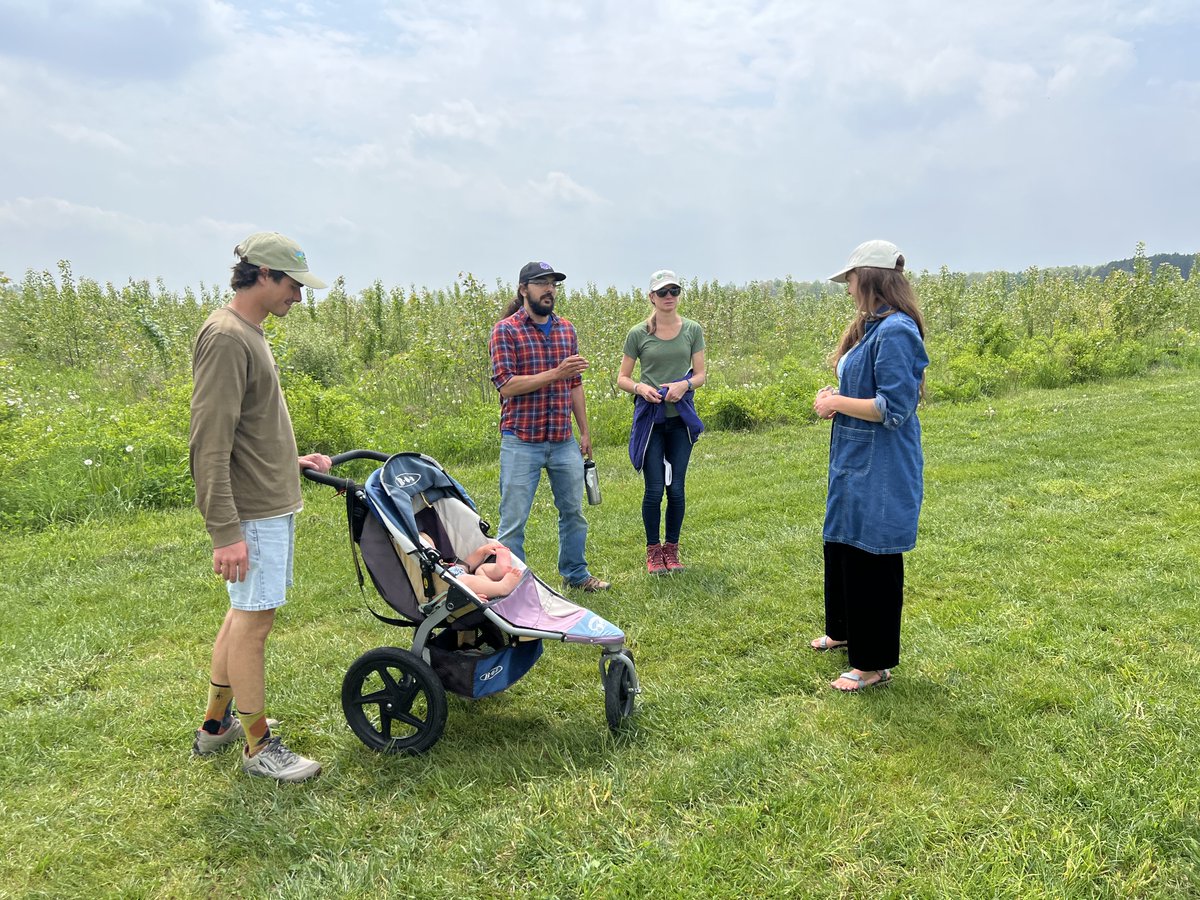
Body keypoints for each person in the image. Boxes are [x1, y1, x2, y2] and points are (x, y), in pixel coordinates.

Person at [189, 232, 333, 781]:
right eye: (294, 284)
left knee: (240, 615)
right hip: (249, 512)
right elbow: (209, 440)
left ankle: (215, 726)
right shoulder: (226, 337)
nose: (299, 295)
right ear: (265, 276)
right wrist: (225, 530)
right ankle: (257, 746)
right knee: (255, 622)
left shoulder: (250, 333)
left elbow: (248, 426)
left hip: (265, 495)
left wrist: (287, 462)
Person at [809, 240, 929, 692]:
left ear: (872, 278)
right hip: (853, 456)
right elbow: (863, 389)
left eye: (851, 279)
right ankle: (843, 631)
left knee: (872, 552)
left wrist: (838, 402)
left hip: (882, 464)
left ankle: (873, 663)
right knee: (843, 542)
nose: (848, 289)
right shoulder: (870, 326)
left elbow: (894, 406)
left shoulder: (897, 330)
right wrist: (836, 398)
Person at [489, 261, 609, 592]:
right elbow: (507, 385)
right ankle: (514, 588)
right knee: (512, 522)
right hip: (521, 440)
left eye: (553, 283)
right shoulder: (506, 331)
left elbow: (575, 384)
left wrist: (583, 431)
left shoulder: (566, 330)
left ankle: (576, 574)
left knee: (573, 513)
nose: (549, 289)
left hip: (562, 439)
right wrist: (556, 373)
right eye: (541, 283)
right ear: (523, 289)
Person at [617, 269, 706, 575]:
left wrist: (686, 386)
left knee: (676, 489)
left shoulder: (693, 329)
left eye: (674, 291)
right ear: (651, 297)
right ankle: (654, 552)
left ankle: (673, 549)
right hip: (651, 420)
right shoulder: (638, 334)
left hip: (679, 418)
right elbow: (623, 378)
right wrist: (641, 388)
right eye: (663, 292)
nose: (670, 297)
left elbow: (701, 374)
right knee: (654, 489)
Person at [418, 533, 522, 599]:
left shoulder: (445, 565)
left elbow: (467, 564)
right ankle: (502, 587)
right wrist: (470, 597)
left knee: (481, 569)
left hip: (479, 582)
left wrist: (481, 551)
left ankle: (500, 570)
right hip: (459, 590)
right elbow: (442, 597)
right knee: (464, 580)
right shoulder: (433, 580)